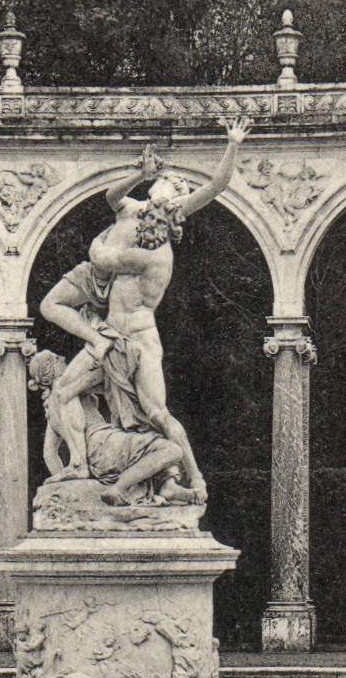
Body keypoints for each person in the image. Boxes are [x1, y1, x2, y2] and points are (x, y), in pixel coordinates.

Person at [38, 117, 250, 505]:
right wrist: (138, 173)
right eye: (161, 183)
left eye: (169, 186)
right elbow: (111, 198)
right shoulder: (135, 210)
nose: (163, 186)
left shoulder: (155, 255)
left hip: (138, 339)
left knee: (156, 413)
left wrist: (232, 144)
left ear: (175, 203)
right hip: (106, 335)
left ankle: (195, 479)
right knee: (63, 392)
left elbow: (216, 187)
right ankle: (80, 466)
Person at [27, 349, 187, 506]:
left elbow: (49, 453)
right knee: (172, 449)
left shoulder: (52, 408)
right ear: (49, 373)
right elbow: (101, 377)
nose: (62, 358)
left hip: (99, 462)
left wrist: (65, 481)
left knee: (156, 449)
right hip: (104, 443)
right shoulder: (65, 390)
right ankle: (119, 488)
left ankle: (168, 487)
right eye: (56, 358)